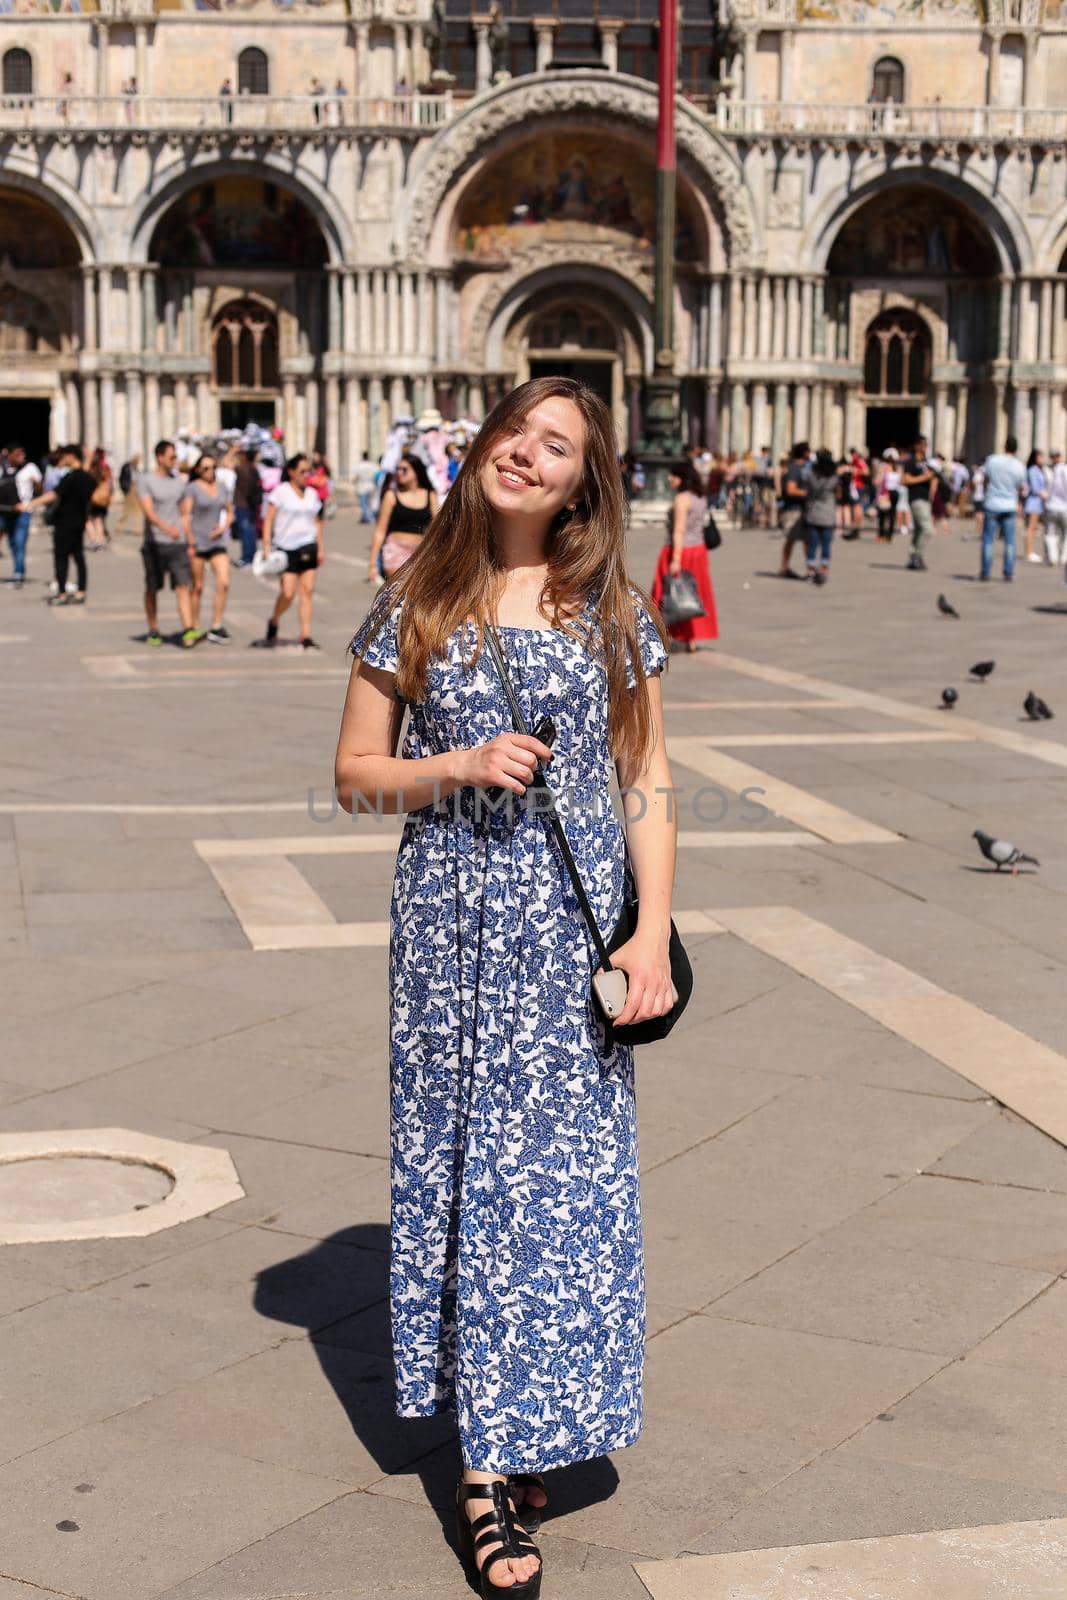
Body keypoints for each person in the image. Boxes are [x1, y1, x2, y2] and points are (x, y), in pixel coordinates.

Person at [335, 376, 677, 1600]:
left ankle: (536, 1413)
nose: (526, 457)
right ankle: (484, 1467)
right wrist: (456, 763)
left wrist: (652, 933)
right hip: (449, 935)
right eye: (514, 434)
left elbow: (642, 773)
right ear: (480, 447)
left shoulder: (601, 608)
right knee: (471, 1172)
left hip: (572, 934)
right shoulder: (416, 593)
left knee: (567, 1179)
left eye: (556, 448)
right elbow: (352, 775)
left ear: (583, 482)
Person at [650, 457, 718, 651]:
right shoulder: (700, 497)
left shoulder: (682, 499)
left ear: (681, 477)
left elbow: (679, 530)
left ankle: (659, 635)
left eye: (673, 475)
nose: (669, 478)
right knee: (692, 593)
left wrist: (676, 559)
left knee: (665, 594)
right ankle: (691, 638)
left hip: (680, 550)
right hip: (698, 549)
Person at [260, 453, 325, 650]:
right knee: (288, 592)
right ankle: (274, 619)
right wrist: (266, 545)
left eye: (309, 471)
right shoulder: (281, 492)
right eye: (302, 471)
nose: (307, 475)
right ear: (291, 472)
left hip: (308, 545)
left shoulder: (312, 494)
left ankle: (305, 634)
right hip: (286, 547)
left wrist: (320, 546)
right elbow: (269, 518)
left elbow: (317, 521)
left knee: (307, 591)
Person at [139, 438, 200, 648]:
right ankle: (153, 628)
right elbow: (148, 511)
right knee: (152, 589)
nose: (175, 460)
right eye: (172, 456)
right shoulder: (146, 480)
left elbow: (184, 514)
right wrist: (166, 528)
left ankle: (188, 629)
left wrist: (190, 541)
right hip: (154, 543)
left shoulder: (179, 483)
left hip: (178, 544)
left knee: (183, 586)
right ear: (160, 457)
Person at [22, 443, 94, 606]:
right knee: (78, 557)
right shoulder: (84, 477)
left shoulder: (70, 477)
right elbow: (87, 482)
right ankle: (81, 591)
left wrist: (31, 504)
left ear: (70, 456)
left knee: (61, 558)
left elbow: (54, 494)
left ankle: (61, 593)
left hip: (65, 522)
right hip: (79, 521)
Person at [181, 453, 234, 644]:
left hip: (217, 542)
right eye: (206, 468)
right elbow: (185, 515)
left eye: (213, 467)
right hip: (198, 541)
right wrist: (190, 540)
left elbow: (230, 511)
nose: (210, 471)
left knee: (224, 582)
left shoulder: (221, 488)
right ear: (197, 470)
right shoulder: (192, 488)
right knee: (197, 586)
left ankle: (216, 625)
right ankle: (193, 625)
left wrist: (223, 527)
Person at [366, 452, 439, 583]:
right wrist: (372, 564)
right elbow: (380, 530)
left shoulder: (430, 495)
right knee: (398, 592)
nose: (399, 473)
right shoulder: (391, 496)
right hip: (395, 550)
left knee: (417, 597)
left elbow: (437, 528)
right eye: (397, 469)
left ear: (416, 472)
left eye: (404, 469)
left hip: (421, 552)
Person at [979, 435, 1026, 582]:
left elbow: (985, 480)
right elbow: (1022, 487)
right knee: (1010, 541)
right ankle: (1008, 572)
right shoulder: (1019, 466)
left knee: (988, 540)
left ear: (1004, 446)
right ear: (1016, 449)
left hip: (992, 503)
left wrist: (989, 490)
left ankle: (986, 572)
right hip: (1010, 505)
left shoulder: (992, 460)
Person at [802, 447, 843, 585]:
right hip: (828, 513)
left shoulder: (811, 474)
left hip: (813, 512)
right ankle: (824, 569)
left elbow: (806, 488)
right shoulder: (834, 476)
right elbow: (839, 493)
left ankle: (810, 571)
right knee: (826, 544)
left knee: (812, 544)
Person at [1, 444, 39, 589]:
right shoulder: (2, 468)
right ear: (9, 455)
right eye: (17, 454)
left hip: (24, 511)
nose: (21, 457)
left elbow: (41, 488)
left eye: (23, 454)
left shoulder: (30, 468)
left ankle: (18, 572)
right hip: (6, 511)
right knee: (12, 542)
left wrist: (37, 485)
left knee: (20, 541)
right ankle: (18, 569)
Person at [901, 436, 935, 571]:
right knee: (927, 529)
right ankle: (916, 554)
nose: (925, 447)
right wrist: (924, 477)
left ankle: (914, 557)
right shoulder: (910, 462)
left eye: (926, 445)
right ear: (916, 446)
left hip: (925, 498)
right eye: (922, 445)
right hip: (916, 497)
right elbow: (905, 480)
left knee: (919, 529)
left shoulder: (926, 462)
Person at [778, 440, 810, 578]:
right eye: (809, 450)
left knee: (807, 540)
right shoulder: (794, 468)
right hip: (793, 509)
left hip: (804, 509)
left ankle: (810, 569)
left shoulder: (805, 468)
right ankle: (784, 568)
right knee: (791, 539)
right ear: (804, 452)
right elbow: (791, 490)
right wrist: (809, 494)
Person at [232, 448, 262, 567]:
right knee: (251, 531)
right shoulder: (254, 469)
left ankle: (247, 557)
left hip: (243, 504)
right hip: (252, 504)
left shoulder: (242, 469)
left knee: (245, 532)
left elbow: (225, 463)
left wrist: (232, 450)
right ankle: (252, 556)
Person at [1023, 449, 1049, 563]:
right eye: (1040, 457)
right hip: (1034, 502)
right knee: (1031, 529)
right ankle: (1029, 552)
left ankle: (1030, 551)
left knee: (1033, 528)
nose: (1042, 459)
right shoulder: (1033, 470)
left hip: (1037, 503)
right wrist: (1045, 494)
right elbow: (1035, 488)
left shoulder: (1038, 470)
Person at [1045, 447, 1067, 567]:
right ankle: (1064, 557)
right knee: (1065, 533)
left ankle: (1053, 557)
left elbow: (1046, 490)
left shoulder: (1049, 471)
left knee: (1051, 533)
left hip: (1052, 506)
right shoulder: (1064, 469)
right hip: (1064, 506)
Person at [354, 453, 378, 525]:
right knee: (369, 503)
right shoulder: (373, 466)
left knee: (364, 504)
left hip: (362, 487)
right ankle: (364, 517)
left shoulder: (359, 466)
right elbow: (376, 476)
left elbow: (356, 477)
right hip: (371, 486)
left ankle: (370, 518)